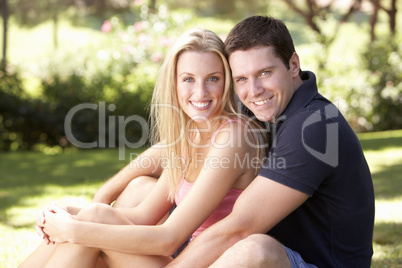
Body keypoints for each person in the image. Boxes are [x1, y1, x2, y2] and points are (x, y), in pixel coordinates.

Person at [19, 28, 266, 267]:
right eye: (188, 79)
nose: (200, 92)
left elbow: (168, 240)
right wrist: (66, 212)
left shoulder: (234, 135)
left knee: (92, 223)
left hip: (205, 263)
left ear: (226, 82)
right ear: (174, 83)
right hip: (180, 260)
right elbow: (142, 216)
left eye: (213, 79)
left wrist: (75, 230)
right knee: (94, 216)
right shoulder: (188, 136)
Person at [167, 16, 375, 268]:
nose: (253, 91)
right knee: (140, 190)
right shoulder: (261, 108)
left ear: (293, 65)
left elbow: (239, 229)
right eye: (241, 79)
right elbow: (180, 149)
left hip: (315, 264)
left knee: (253, 249)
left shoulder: (315, 125)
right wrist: (109, 197)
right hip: (278, 254)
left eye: (265, 73)